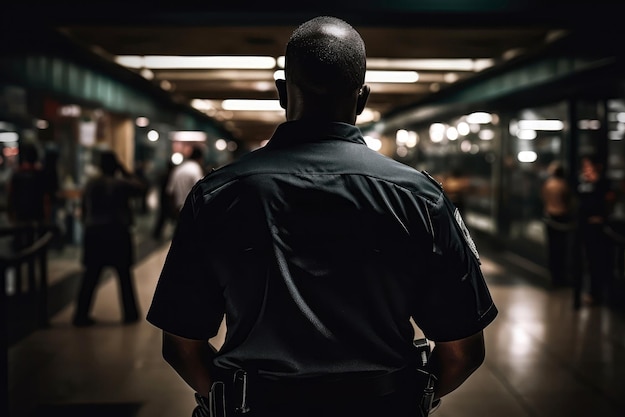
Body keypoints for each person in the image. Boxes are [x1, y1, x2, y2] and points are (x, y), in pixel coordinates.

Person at [147, 16, 498, 417]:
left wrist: (231, 401)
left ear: (282, 91)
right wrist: (408, 401)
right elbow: (462, 352)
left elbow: (180, 344)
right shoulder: (419, 198)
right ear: (362, 98)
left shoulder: (217, 195)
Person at [73, 150, 145, 326]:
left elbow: (84, 209)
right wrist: (126, 170)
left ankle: (80, 315)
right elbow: (142, 188)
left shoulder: (91, 184)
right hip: (117, 232)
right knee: (124, 275)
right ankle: (130, 313)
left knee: (91, 275)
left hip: (94, 232)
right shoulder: (121, 184)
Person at [574, 154, 614, 307]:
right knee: (582, 260)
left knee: (597, 261)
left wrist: (602, 217)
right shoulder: (583, 183)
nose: (586, 170)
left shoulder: (602, 183)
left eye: (588, 166)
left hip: (598, 229)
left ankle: (597, 292)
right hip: (583, 227)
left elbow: (608, 201)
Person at [6, 141, 51, 249]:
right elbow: (45, 197)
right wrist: (46, 215)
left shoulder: (17, 174)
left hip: (20, 215)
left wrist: (11, 213)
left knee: (19, 246)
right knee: (37, 247)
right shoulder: (40, 174)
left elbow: (11, 195)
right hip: (37, 215)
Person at [541, 160, 575, 288]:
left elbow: (544, 198)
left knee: (553, 249)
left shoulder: (548, 184)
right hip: (561, 217)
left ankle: (554, 276)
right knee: (561, 249)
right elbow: (568, 201)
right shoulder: (563, 185)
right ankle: (560, 276)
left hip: (551, 217)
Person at [166, 146, 205, 215]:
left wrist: (174, 210)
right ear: (200, 158)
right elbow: (200, 190)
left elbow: (170, 192)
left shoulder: (178, 169)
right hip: (191, 210)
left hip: (178, 208)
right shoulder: (196, 169)